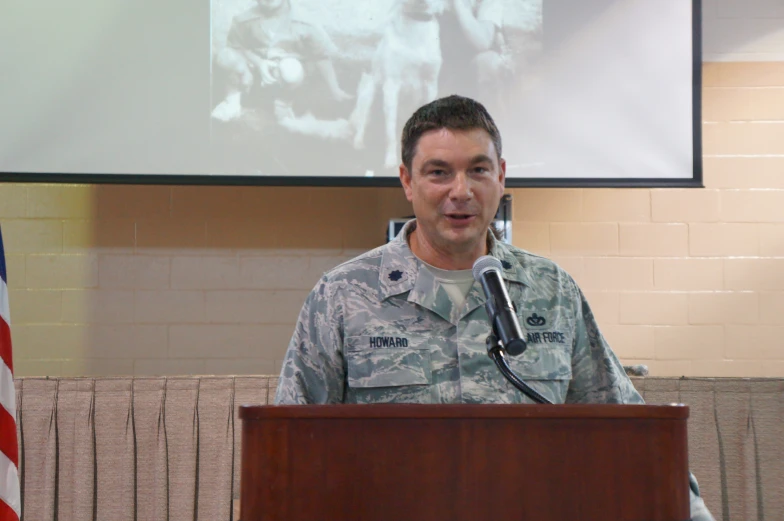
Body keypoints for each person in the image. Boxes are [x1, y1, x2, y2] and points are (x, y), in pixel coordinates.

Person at [274, 95, 714, 521]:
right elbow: (289, 450)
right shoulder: (344, 295)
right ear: (408, 181)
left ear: (501, 176)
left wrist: (691, 512)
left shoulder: (551, 291)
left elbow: (629, 433)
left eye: (478, 170)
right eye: (439, 172)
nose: (461, 191)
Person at [211, 0, 352, 126]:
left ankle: (283, 103)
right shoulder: (244, 20)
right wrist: (255, 64)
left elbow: (321, 56)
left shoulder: (305, 21)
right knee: (225, 56)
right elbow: (236, 47)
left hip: (286, 74)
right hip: (255, 71)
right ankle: (232, 102)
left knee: (290, 69)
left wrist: (335, 90)